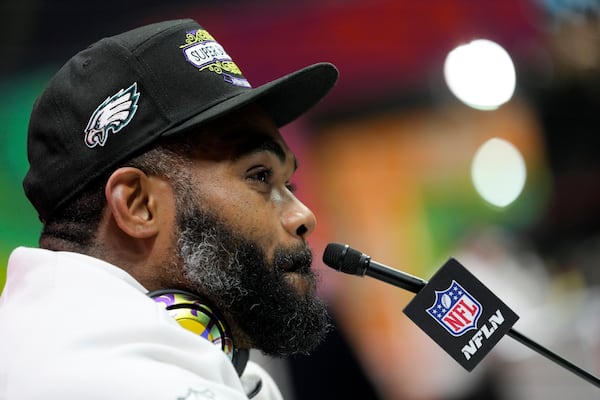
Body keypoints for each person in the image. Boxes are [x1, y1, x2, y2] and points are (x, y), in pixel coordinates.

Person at [0, 18, 338, 399]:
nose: (303, 216)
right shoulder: (120, 383)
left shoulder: (40, 344)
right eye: (259, 176)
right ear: (137, 204)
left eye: (288, 184)